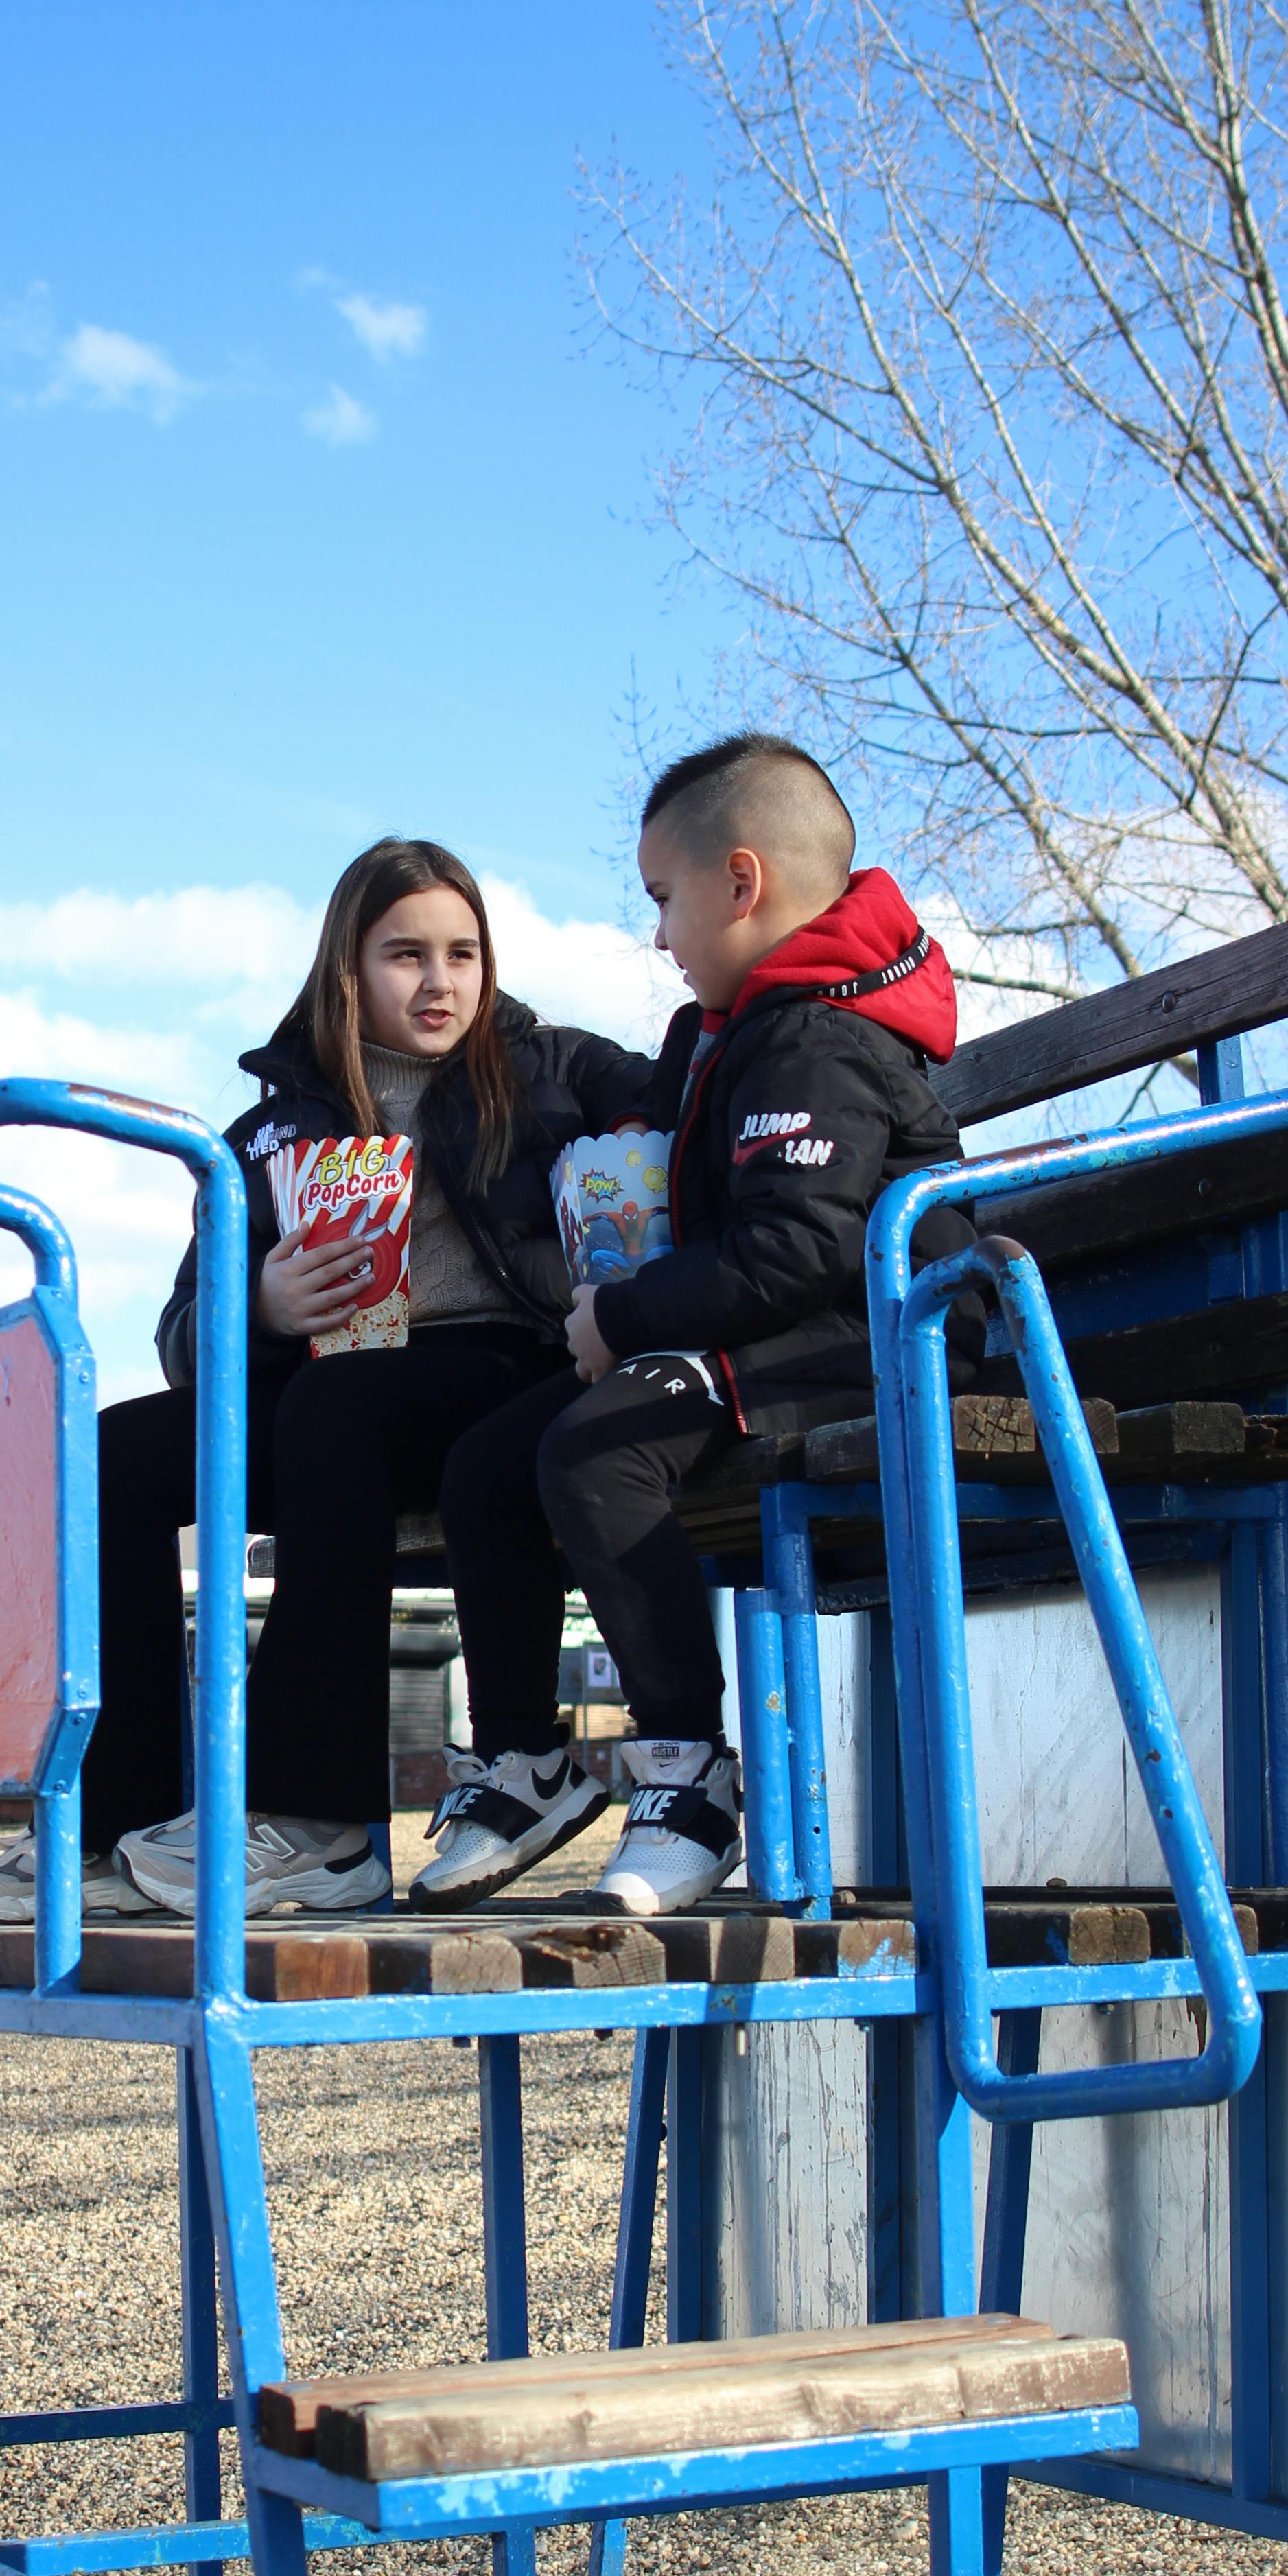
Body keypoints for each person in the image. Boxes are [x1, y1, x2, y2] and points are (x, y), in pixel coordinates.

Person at [0, 838, 653, 1925]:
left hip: (506, 1372)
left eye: (464, 954)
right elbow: (184, 1333)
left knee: (337, 1408)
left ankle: (315, 1825)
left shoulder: (556, 1067)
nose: (439, 981)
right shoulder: (279, 1123)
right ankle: (110, 1834)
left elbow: (689, 1108)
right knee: (114, 1456)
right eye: (405, 954)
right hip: (338, 1389)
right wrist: (260, 1308)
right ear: (348, 971)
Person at [417, 731, 984, 1917]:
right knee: (483, 1466)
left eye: (664, 901)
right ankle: (523, 1759)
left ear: (743, 882)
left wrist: (622, 1317)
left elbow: (800, 1249)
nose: (660, 936)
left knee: (594, 1447)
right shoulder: (736, 1029)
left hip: (865, 1345)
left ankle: (688, 1775)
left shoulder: (818, 1038)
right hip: (768, 1334)